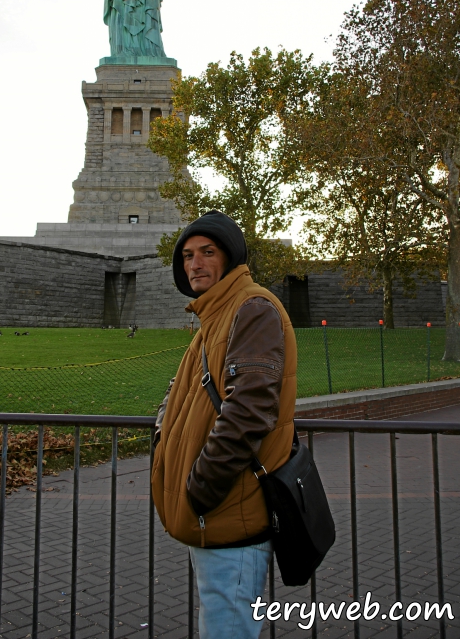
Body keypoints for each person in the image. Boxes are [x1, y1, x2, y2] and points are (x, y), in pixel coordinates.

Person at [151, 210, 297, 639]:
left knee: (228, 628)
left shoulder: (252, 309)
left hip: (228, 509)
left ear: (229, 256)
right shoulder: (215, 315)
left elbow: (249, 410)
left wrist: (200, 490)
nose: (195, 264)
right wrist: (162, 437)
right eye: (187, 256)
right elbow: (181, 392)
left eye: (207, 252)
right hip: (215, 514)